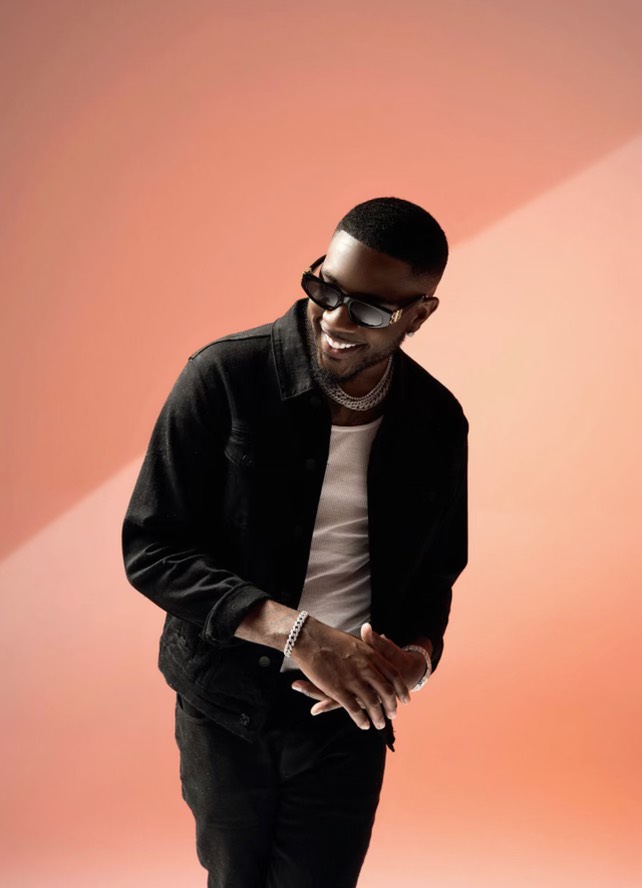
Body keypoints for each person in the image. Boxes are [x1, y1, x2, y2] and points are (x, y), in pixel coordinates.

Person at [121, 196, 468, 888]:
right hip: (225, 696)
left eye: (371, 310)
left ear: (420, 314)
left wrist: (416, 660)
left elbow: (436, 573)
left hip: (349, 708)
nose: (336, 320)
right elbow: (153, 550)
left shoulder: (436, 420)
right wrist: (298, 634)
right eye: (325, 289)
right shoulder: (224, 376)